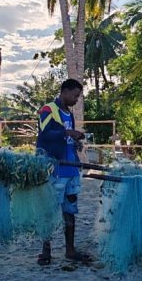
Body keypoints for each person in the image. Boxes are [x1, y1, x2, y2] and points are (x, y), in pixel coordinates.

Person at [36, 79, 91, 265]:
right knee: (49, 210)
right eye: (75, 95)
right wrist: (67, 133)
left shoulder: (70, 113)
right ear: (65, 91)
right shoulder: (48, 110)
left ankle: (70, 249)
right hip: (55, 170)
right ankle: (46, 251)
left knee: (70, 210)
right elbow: (44, 134)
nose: (76, 100)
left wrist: (76, 140)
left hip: (71, 170)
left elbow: (68, 138)